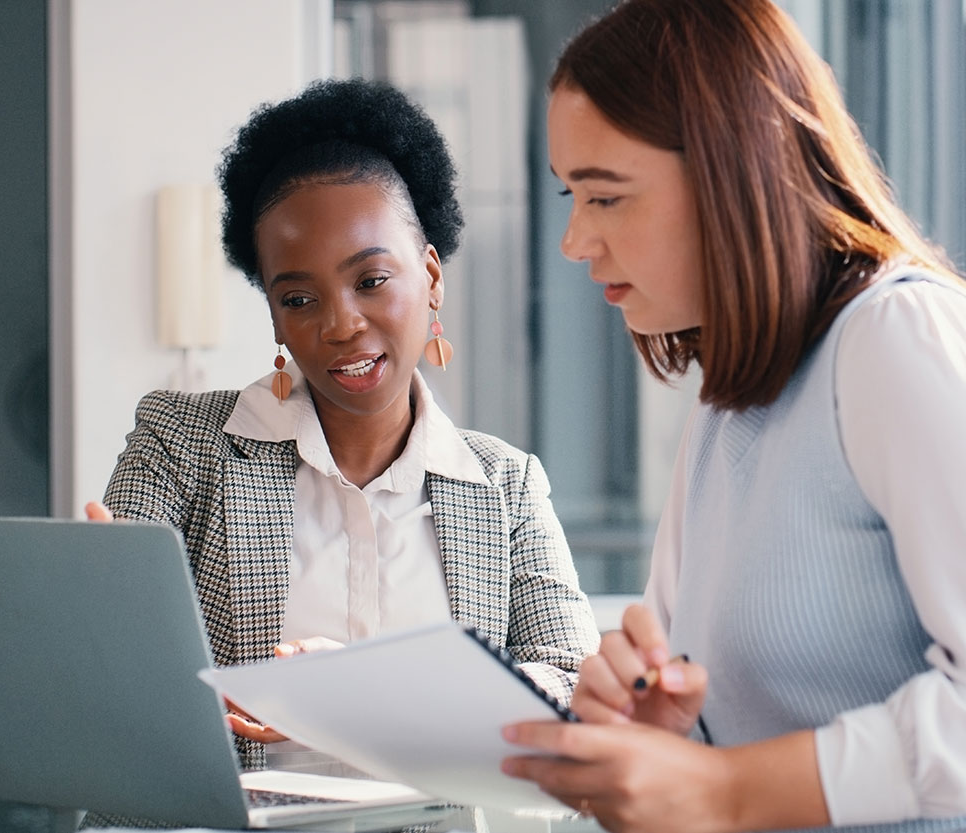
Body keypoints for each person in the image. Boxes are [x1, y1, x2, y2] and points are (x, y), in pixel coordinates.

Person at [500, 1, 966, 831]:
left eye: (606, 198)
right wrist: (666, 729)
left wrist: (728, 789)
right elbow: (718, 705)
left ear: (731, 170)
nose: (574, 240)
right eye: (571, 194)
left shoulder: (894, 341)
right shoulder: (729, 400)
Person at [90, 77, 599, 771]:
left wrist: (381, 690)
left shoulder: (507, 486)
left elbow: (573, 684)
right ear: (274, 314)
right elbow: (113, 674)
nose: (340, 324)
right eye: (298, 296)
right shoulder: (181, 443)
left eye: (371, 280)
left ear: (430, 277)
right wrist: (97, 610)